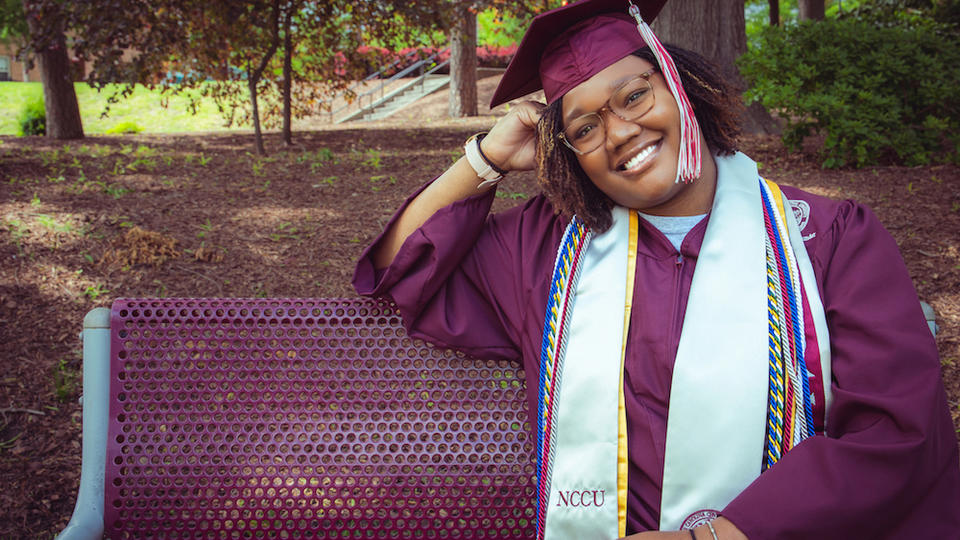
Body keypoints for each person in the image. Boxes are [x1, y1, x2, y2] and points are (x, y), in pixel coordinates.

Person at [353, 0, 960, 537]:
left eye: (635, 95)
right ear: (570, 157)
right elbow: (402, 268)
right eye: (584, 129)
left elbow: (897, 429)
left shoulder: (825, 238)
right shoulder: (545, 251)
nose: (620, 132)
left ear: (680, 84)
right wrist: (484, 159)